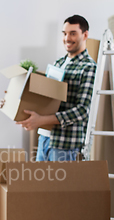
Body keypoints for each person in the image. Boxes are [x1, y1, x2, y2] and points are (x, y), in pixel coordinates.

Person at [16, 15, 97, 162]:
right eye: (65, 33)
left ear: (85, 35)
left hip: (65, 145)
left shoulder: (88, 67)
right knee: (40, 185)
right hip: (45, 139)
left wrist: (42, 120)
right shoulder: (58, 63)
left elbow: (83, 111)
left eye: (73, 33)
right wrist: (17, 102)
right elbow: (45, 99)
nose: (67, 38)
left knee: (61, 185)